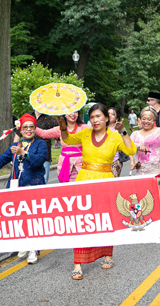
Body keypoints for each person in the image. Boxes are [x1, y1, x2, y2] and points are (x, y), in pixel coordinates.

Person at [60, 103, 136, 280]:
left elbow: (131, 149)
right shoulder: (86, 133)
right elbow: (68, 140)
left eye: (99, 116)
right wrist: (63, 127)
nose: (95, 120)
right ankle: (77, 264)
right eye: (92, 117)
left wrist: (123, 131)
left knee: (104, 221)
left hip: (105, 181)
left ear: (107, 118)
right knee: (81, 222)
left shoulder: (115, 137)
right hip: (84, 180)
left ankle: (108, 255)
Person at [0, 113, 47, 264]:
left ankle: (34, 249)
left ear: (35, 129)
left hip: (34, 186)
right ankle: (25, 243)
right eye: (25, 127)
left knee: (33, 218)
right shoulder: (14, 146)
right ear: (20, 130)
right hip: (16, 186)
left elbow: (39, 161)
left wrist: (24, 153)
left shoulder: (40, 144)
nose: (29, 130)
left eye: (32, 127)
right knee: (19, 218)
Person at [130, 108, 160, 200]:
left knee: (155, 197)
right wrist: (138, 146)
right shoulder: (135, 133)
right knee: (142, 197)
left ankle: (159, 214)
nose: (146, 121)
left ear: (153, 120)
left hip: (156, 170)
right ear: (140, 119)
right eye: (144, 118)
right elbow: (128, 146)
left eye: (149, 119)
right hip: (140, 170)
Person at [34, 110, 89, 182]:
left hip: (81, 163)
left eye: (75, 112)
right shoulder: (59, 129)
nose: (73, 114)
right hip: (64, 163)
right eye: (70, 112)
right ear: (64, 114)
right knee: (67, 189)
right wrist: (31, 126)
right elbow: (44, 134)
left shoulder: (85, 128)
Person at [14, 110, 58, 183]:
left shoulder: (50, 118)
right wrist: (15, 152)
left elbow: (59, 134)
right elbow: (18, 134)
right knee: (25, 179)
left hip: (43, 155)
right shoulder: (27, 116)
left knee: (42, 179)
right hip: (25, 152)